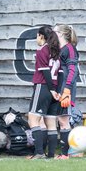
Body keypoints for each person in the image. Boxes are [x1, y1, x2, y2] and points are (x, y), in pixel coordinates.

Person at [27, 26, 61, 159]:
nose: (36, 39)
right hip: (54, 88)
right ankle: (51, 155)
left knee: (32, 119)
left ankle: (40, 152)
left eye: (37, 36)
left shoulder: (42, 50)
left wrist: (52, 89)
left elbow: (45, 71)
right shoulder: (56, 50)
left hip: (43, 87)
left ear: (41, 36)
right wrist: (57, 90)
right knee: (51, 122)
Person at [54, 24, 80, 159]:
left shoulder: (69, 49)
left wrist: (67, 90)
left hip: (65, 90)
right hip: (56, 89)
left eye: (54, 32)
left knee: (64, 121)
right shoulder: (59, 49)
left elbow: (72, 70)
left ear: (61, 34)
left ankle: (65, 154)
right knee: (56, 119)